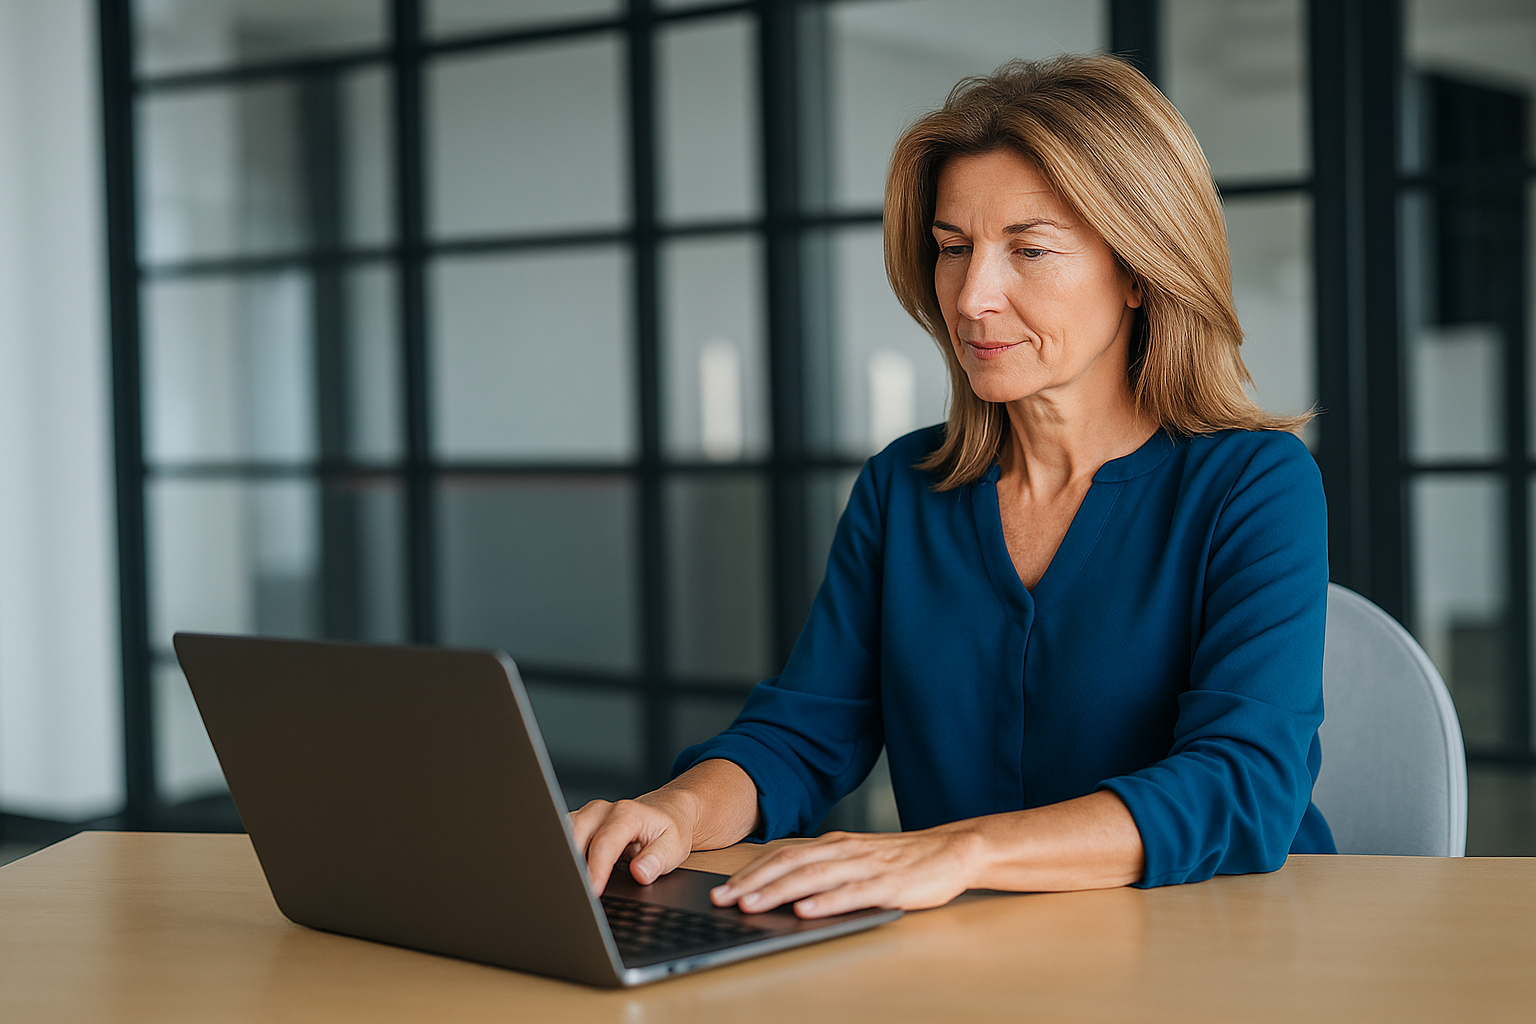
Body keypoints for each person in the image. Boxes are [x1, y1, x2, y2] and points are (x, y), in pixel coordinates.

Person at [573, 52, 1334, 918]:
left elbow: (1244, 785)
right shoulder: (903, 487)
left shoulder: (1255, 484)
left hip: (1220, 947)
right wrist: (673, 811)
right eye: (953, 249)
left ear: (1137, 268)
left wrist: (958, 851)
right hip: (968, 954)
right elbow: (804, 733)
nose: (971, 297)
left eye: (1030, 250)